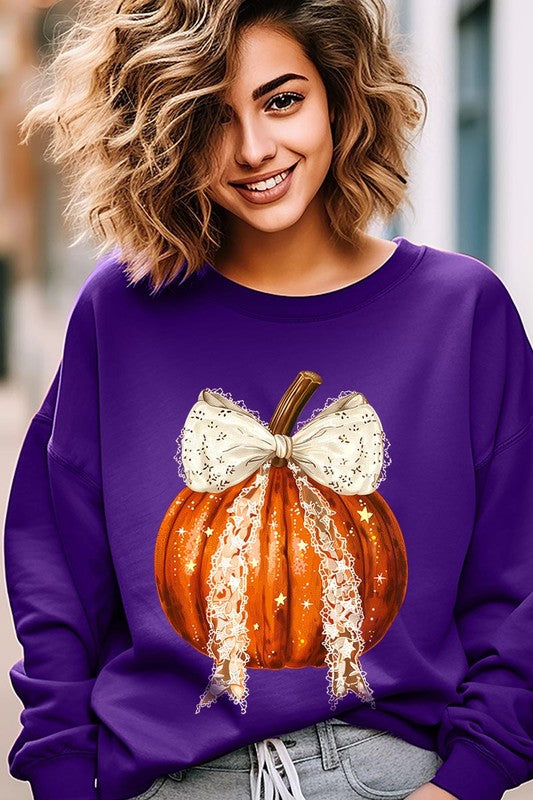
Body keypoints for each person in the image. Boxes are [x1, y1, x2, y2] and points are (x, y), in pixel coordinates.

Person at [3, 1, 532, 799]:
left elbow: (520, 578)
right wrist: (63, 776)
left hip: (389, 774)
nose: (253, 149)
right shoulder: (122, 309)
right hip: (169, 778)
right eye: (212, 117)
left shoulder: (462, 312)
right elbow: (55, 574)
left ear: (339, 96)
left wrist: (468, 779)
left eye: (281, 100)